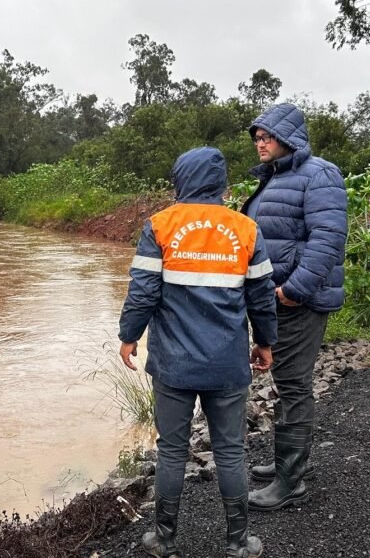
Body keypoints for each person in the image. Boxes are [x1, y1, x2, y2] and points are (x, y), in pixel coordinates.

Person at [118, 146, 278, 558]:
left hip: (173, 364)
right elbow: (261, 296)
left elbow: (143, 292)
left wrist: (129, 335)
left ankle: (165, 539)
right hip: (226, 363)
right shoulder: (245, 229)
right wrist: (264, 342)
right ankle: (239, 543)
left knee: (171, 450)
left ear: (181, 180)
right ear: (222, 184)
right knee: (230, 450)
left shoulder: (160, 226)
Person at [242, 103, 348, 512]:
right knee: (286, 381)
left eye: (266, 136)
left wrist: (292, 291)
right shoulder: (276, 177)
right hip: (277, 298)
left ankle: (291, 481)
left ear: (288, 137)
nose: (260, 144)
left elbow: (327, 240)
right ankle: (290, 462)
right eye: (257, 138)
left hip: (298, 300)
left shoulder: (319, 174)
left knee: (293, 384)